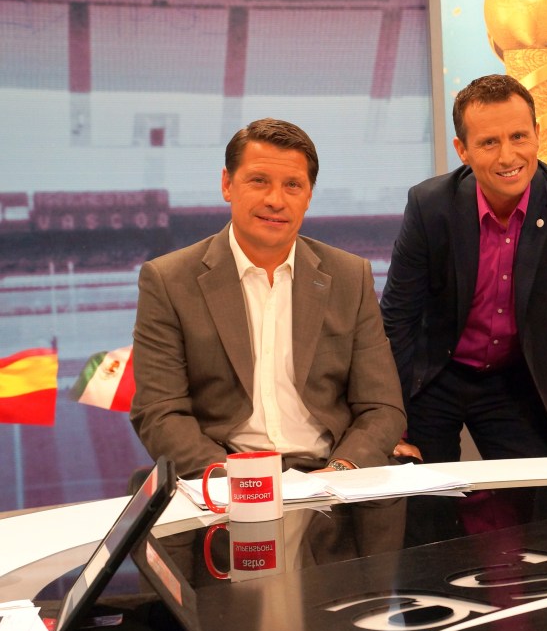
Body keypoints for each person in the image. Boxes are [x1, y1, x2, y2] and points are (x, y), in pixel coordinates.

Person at [380, 74, 547, 463]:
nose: (508, 157)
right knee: (425, 504)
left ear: (538, 134)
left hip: (514, 377)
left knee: (542, 507)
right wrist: (389, 421)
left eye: (519, 137)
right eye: (489, 142)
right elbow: (397, 320)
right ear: (462, 150)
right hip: (436, 372)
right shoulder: (430, 206)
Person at [131, 118, 406, 478]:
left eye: (293, 185)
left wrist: (341, 469)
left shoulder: (350, 277)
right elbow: (160, 411)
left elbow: (381, 407)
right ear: (227, 184)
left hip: (329, 478)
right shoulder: (167, 281)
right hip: (225, 478)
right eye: (259, 181)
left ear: (308, 196)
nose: (275, 200)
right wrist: (240, 482)